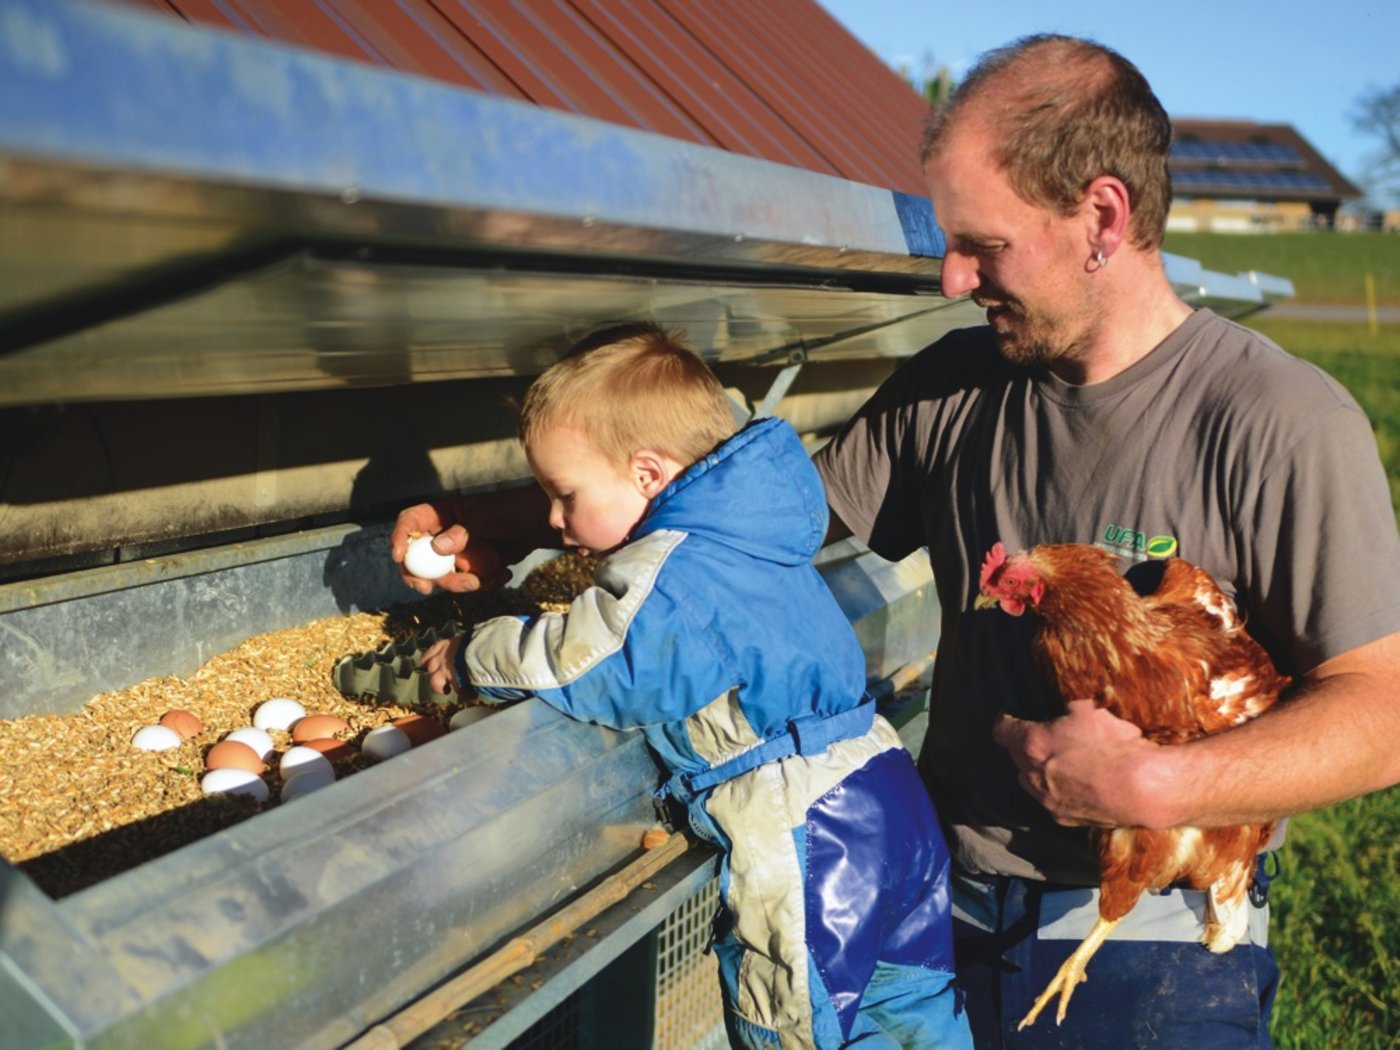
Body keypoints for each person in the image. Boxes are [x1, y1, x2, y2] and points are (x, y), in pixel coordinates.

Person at [810, 33, 1400, 1048]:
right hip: (937, 922)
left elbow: (1383, 708)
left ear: (1099, 218)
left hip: (1149, 945)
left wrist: (1153, 783)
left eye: (982, 244)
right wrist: (529, 519)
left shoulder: (1276, 421)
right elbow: (765, 522)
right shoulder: (951, 388)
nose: (953, 279)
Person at [400, 324, 972, 1049]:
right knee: (913, 1009)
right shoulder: (754, 531)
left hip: (804, 829)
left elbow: (599, 663)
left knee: (797, 1029)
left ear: (647, 474)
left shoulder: (673, 572)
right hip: (882, 789)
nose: (551, 519)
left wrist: (477, 654)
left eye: (563, 494)